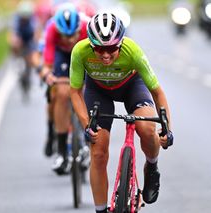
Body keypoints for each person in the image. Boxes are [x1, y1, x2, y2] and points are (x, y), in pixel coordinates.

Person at [69, 12, 174, 213]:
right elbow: (74, 92)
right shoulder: (80, 51)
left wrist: (167, 128)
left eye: (111, 49)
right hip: (98, 90)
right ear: (90, 44)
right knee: (98, 150)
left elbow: (157, 92)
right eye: (99, 49)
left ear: (120, 44)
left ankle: (151, 166)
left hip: (131, 86)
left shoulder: (132, 50)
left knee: (146, 128)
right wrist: (86, 125)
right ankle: (100, 210)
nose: (105, 55)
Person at [39, 3, 89, 175]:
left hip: (83, 53)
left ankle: (87, 141)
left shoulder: (87, 27)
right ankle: (61, 151)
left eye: (72, 34)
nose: (68, 40)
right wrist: (47, 75)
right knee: (61, 93)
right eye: (64, 36)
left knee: (90, 92)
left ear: (79, 28)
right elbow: (46, 65)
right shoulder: (52, 29)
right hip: (61, 57)